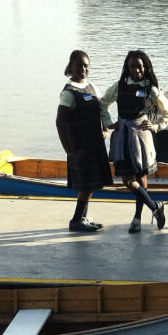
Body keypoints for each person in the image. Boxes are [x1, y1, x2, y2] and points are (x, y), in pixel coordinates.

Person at [101, 50, 168, 233]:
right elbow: (102, 103)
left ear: (145, 67)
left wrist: (156, 126)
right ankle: (155, 207)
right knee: (127, 179)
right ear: (128, 67)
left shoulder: (150, 89)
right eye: (132, 67)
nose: (136, 70)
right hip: (123, 135)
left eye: (140, 67)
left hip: (142, 136)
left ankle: (137, 218)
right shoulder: (120, 86)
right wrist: (110, 123)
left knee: (141, 178)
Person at [55, 50, 113, 232]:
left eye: (86, 65)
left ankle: (82, 217)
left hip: (95, 144)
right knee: (86, 185)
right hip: (80, 147)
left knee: (91, 184)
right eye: (79, 65)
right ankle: (76, 220)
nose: (83, 68)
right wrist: (69, 150)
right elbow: (60, 122)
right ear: (71, 67)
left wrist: (104, 128)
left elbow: (101, 109)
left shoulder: (91, 87)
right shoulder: (69, 93)